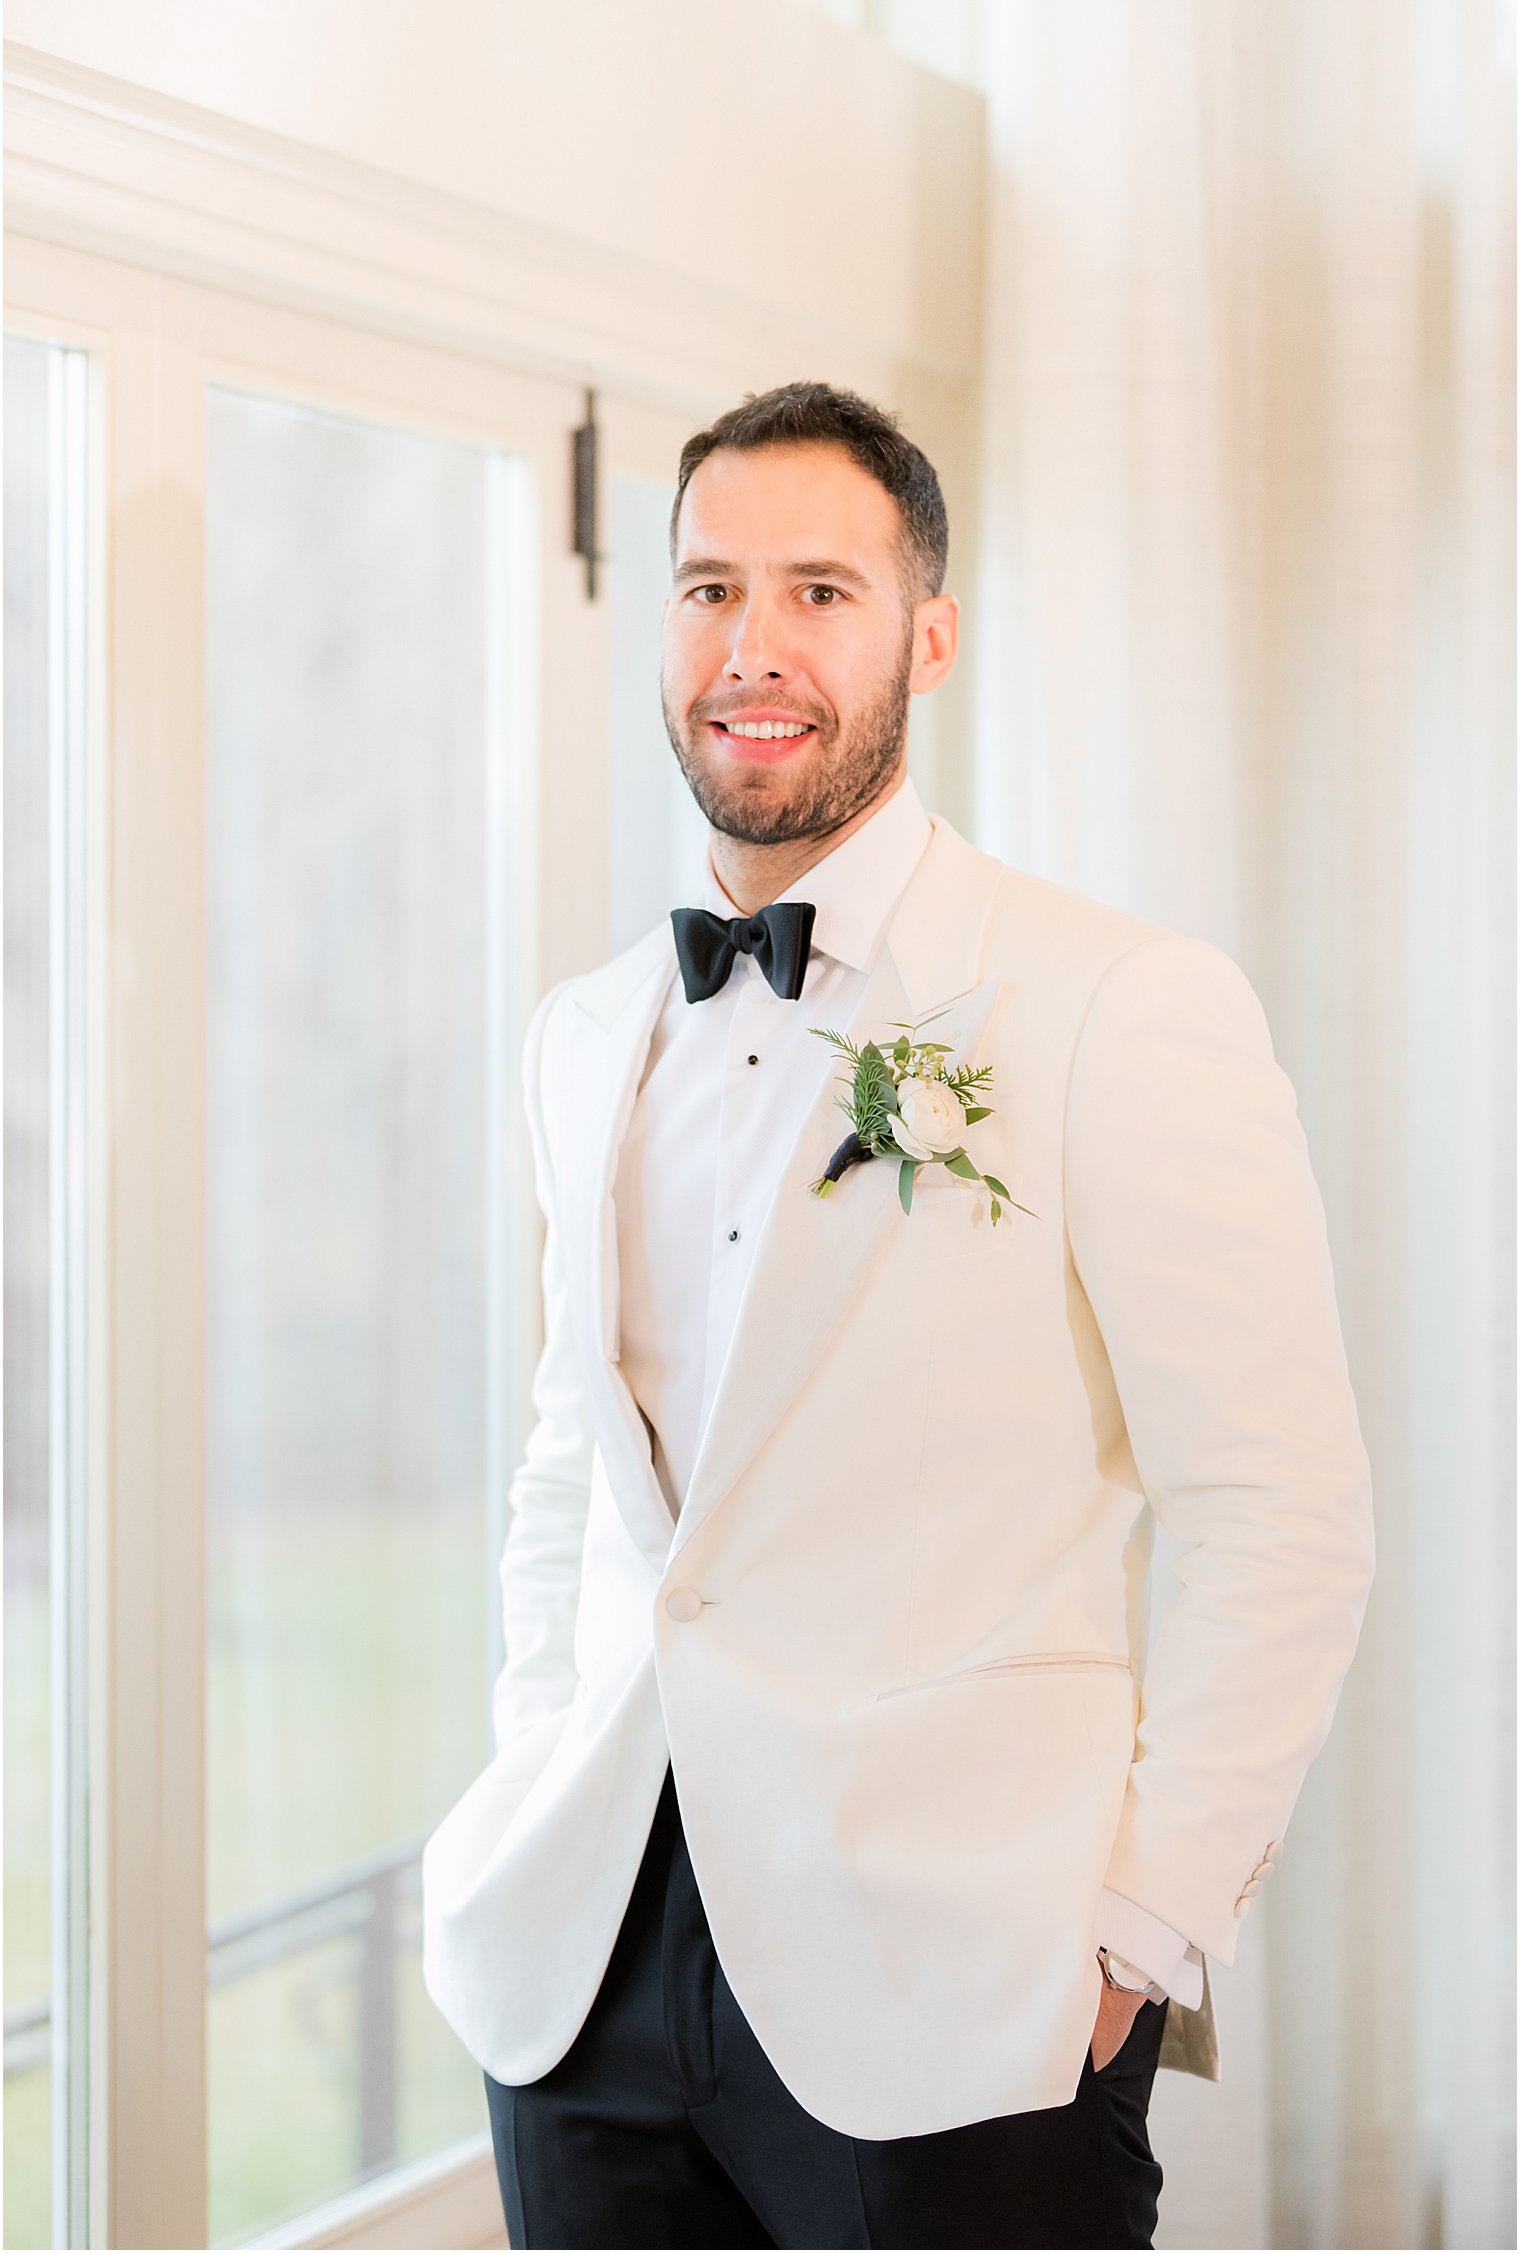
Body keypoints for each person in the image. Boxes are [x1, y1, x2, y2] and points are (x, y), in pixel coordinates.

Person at [421, 381, 1375, 2249]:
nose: (751, 647)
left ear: (928, 631)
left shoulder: (1117, 1003)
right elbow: (572, 1463)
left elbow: (1283, 1512)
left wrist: (1142, 1926)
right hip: (586, 1964)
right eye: (706, 589)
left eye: (819, 591)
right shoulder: (586, 1029)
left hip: (966, 1989)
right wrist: (536, 1746)